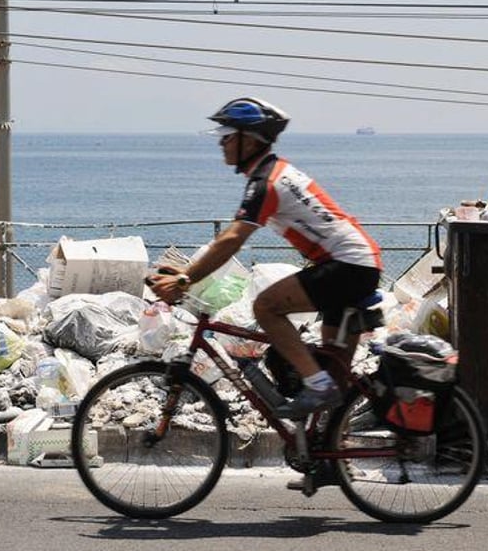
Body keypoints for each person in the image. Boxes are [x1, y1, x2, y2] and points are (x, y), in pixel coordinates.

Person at [149, 97, 382, 418]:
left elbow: (231, 239)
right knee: (331, 381)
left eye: (228, 135)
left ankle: (318, 386)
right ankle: (322, 456)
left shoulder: (266, 183)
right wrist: (187, 272)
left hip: (347, 266)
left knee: (266, 307)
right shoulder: (275, 174)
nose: (222, 143)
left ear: (250, 140)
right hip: (353, 264)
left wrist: (186, 278)